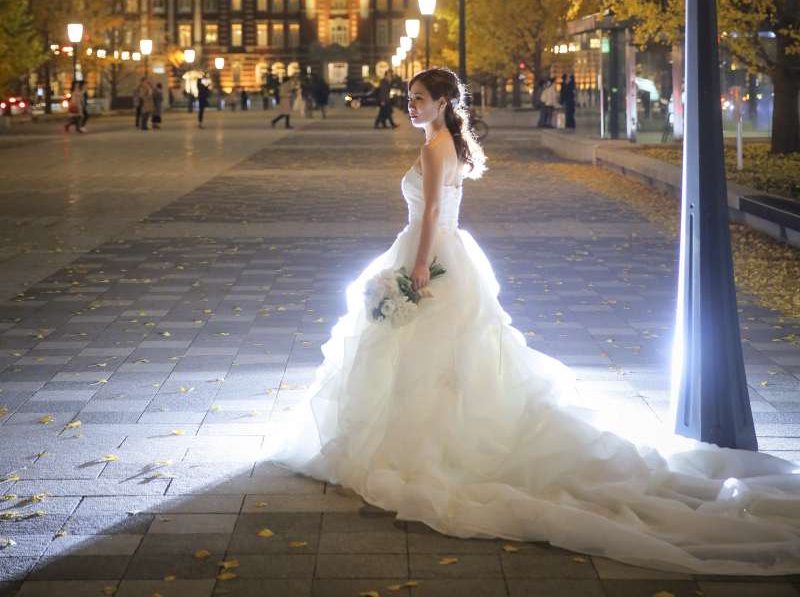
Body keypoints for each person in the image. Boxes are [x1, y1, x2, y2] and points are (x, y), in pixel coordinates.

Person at [267, 66, 800, 575]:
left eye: (419, 99)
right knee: (448, 352)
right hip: (454, 253)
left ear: (444, 103)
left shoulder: (434, 148)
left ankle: (413, 442)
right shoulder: (449, 143)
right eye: (409, 99)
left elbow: (430, 212)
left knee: (423, 349)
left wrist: (419, 266)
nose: (411, 106)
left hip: (430, 253)